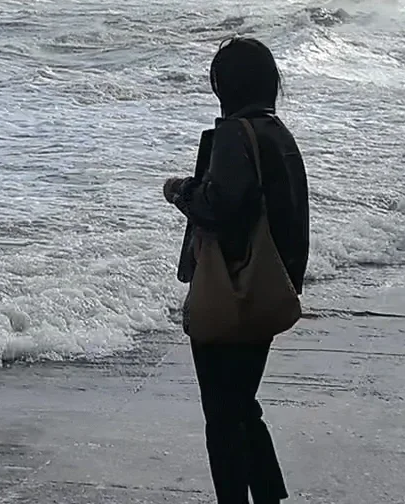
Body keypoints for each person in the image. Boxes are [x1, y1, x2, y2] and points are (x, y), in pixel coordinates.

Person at [162, 37, 309, 504]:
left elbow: (218, 206)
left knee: (223, 414)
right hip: (269, 285)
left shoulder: (234, 134)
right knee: (242, 403)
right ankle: (268, 496)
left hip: (230, 287)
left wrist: (180, 191)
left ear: (224, 85)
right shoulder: (279, 134)